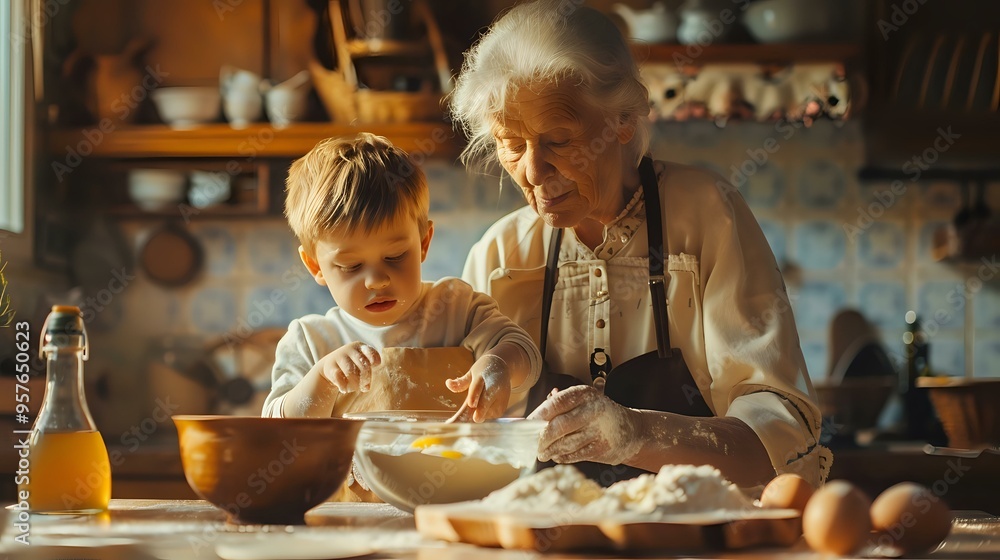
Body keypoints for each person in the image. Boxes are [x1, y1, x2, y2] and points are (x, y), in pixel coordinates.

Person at [449, 0, 830, 489]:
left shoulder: (707, 215)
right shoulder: (501, 256)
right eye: (512, 143)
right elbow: (461, 447)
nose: (533, 171)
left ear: (624, 119)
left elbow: (780, 439)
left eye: (559, 140)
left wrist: (636, 433)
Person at [262, 133, 542, 427]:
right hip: (352, 475)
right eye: (351, 265)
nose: (377, 280)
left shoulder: (457, 308)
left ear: (423, 243)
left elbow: (525, 353)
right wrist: (321, 380)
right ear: (315, 265)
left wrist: (500, 364)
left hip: (455, 471)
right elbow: (276, 427)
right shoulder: (311, 342)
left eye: (395, 257)